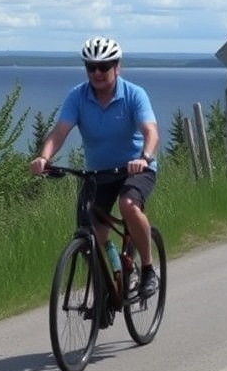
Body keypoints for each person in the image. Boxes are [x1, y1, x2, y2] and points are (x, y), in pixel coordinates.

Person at [29, 36, 161, 298]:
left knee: (128, 205)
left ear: (117, 67)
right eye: (91, 67)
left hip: (135, 169)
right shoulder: (77, 96)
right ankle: (117, 274)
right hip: (98, 174)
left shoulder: (134, 94)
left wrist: (144, 157)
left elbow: (151, 132)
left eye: (104, 66)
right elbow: (59, 132)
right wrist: (44, 158)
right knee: (92, 230)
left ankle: (147, 269)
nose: (98, 73)